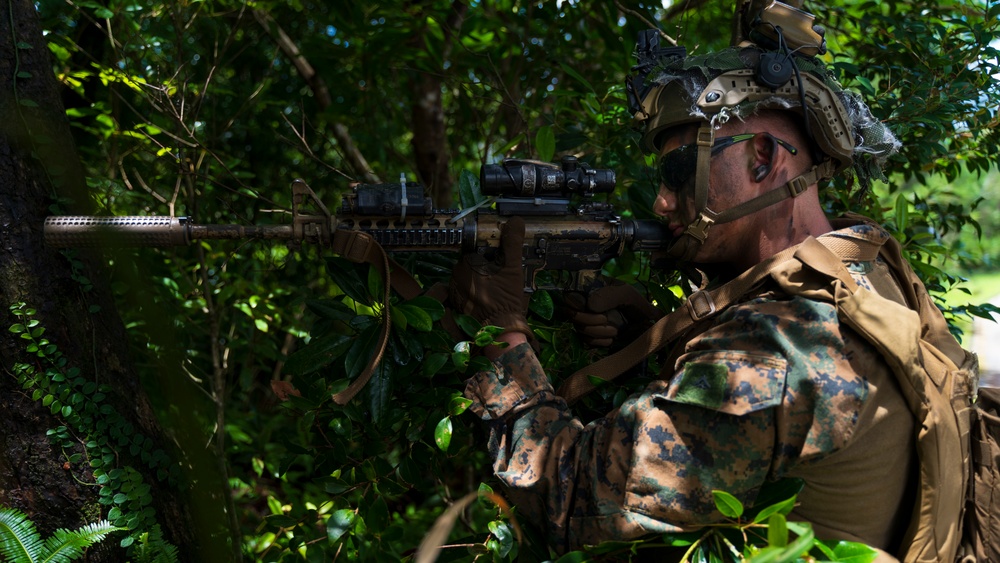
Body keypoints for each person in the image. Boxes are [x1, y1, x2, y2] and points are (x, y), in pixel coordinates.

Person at [448, 14, 976, 562]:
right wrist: (658, 335)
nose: (661, 202)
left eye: (679, 170)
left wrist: (501, 333)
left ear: (764, 157)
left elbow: (569, 500)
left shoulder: (778, 350)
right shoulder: (863, 264)